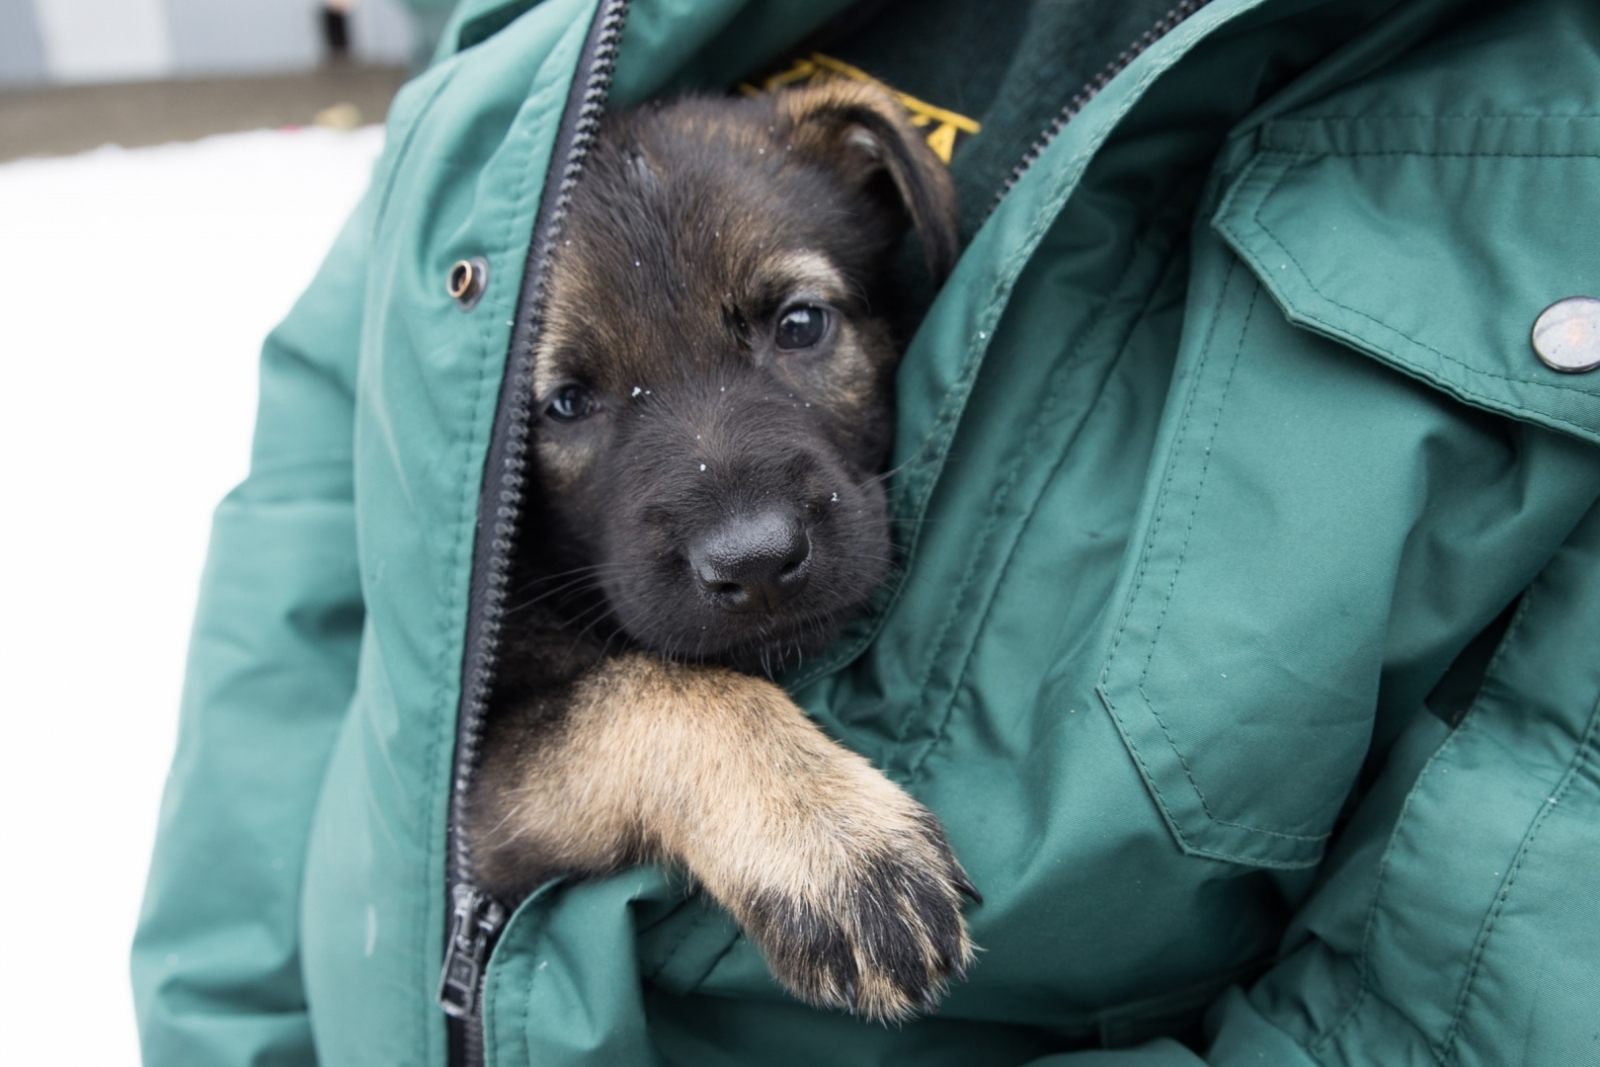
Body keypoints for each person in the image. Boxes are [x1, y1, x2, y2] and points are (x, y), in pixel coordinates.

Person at [131, 0, 1600, 1063]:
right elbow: (334, 605)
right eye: (575, 399)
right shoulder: (512, 96)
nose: (745, 522)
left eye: (793, 324)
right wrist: (696, 745)